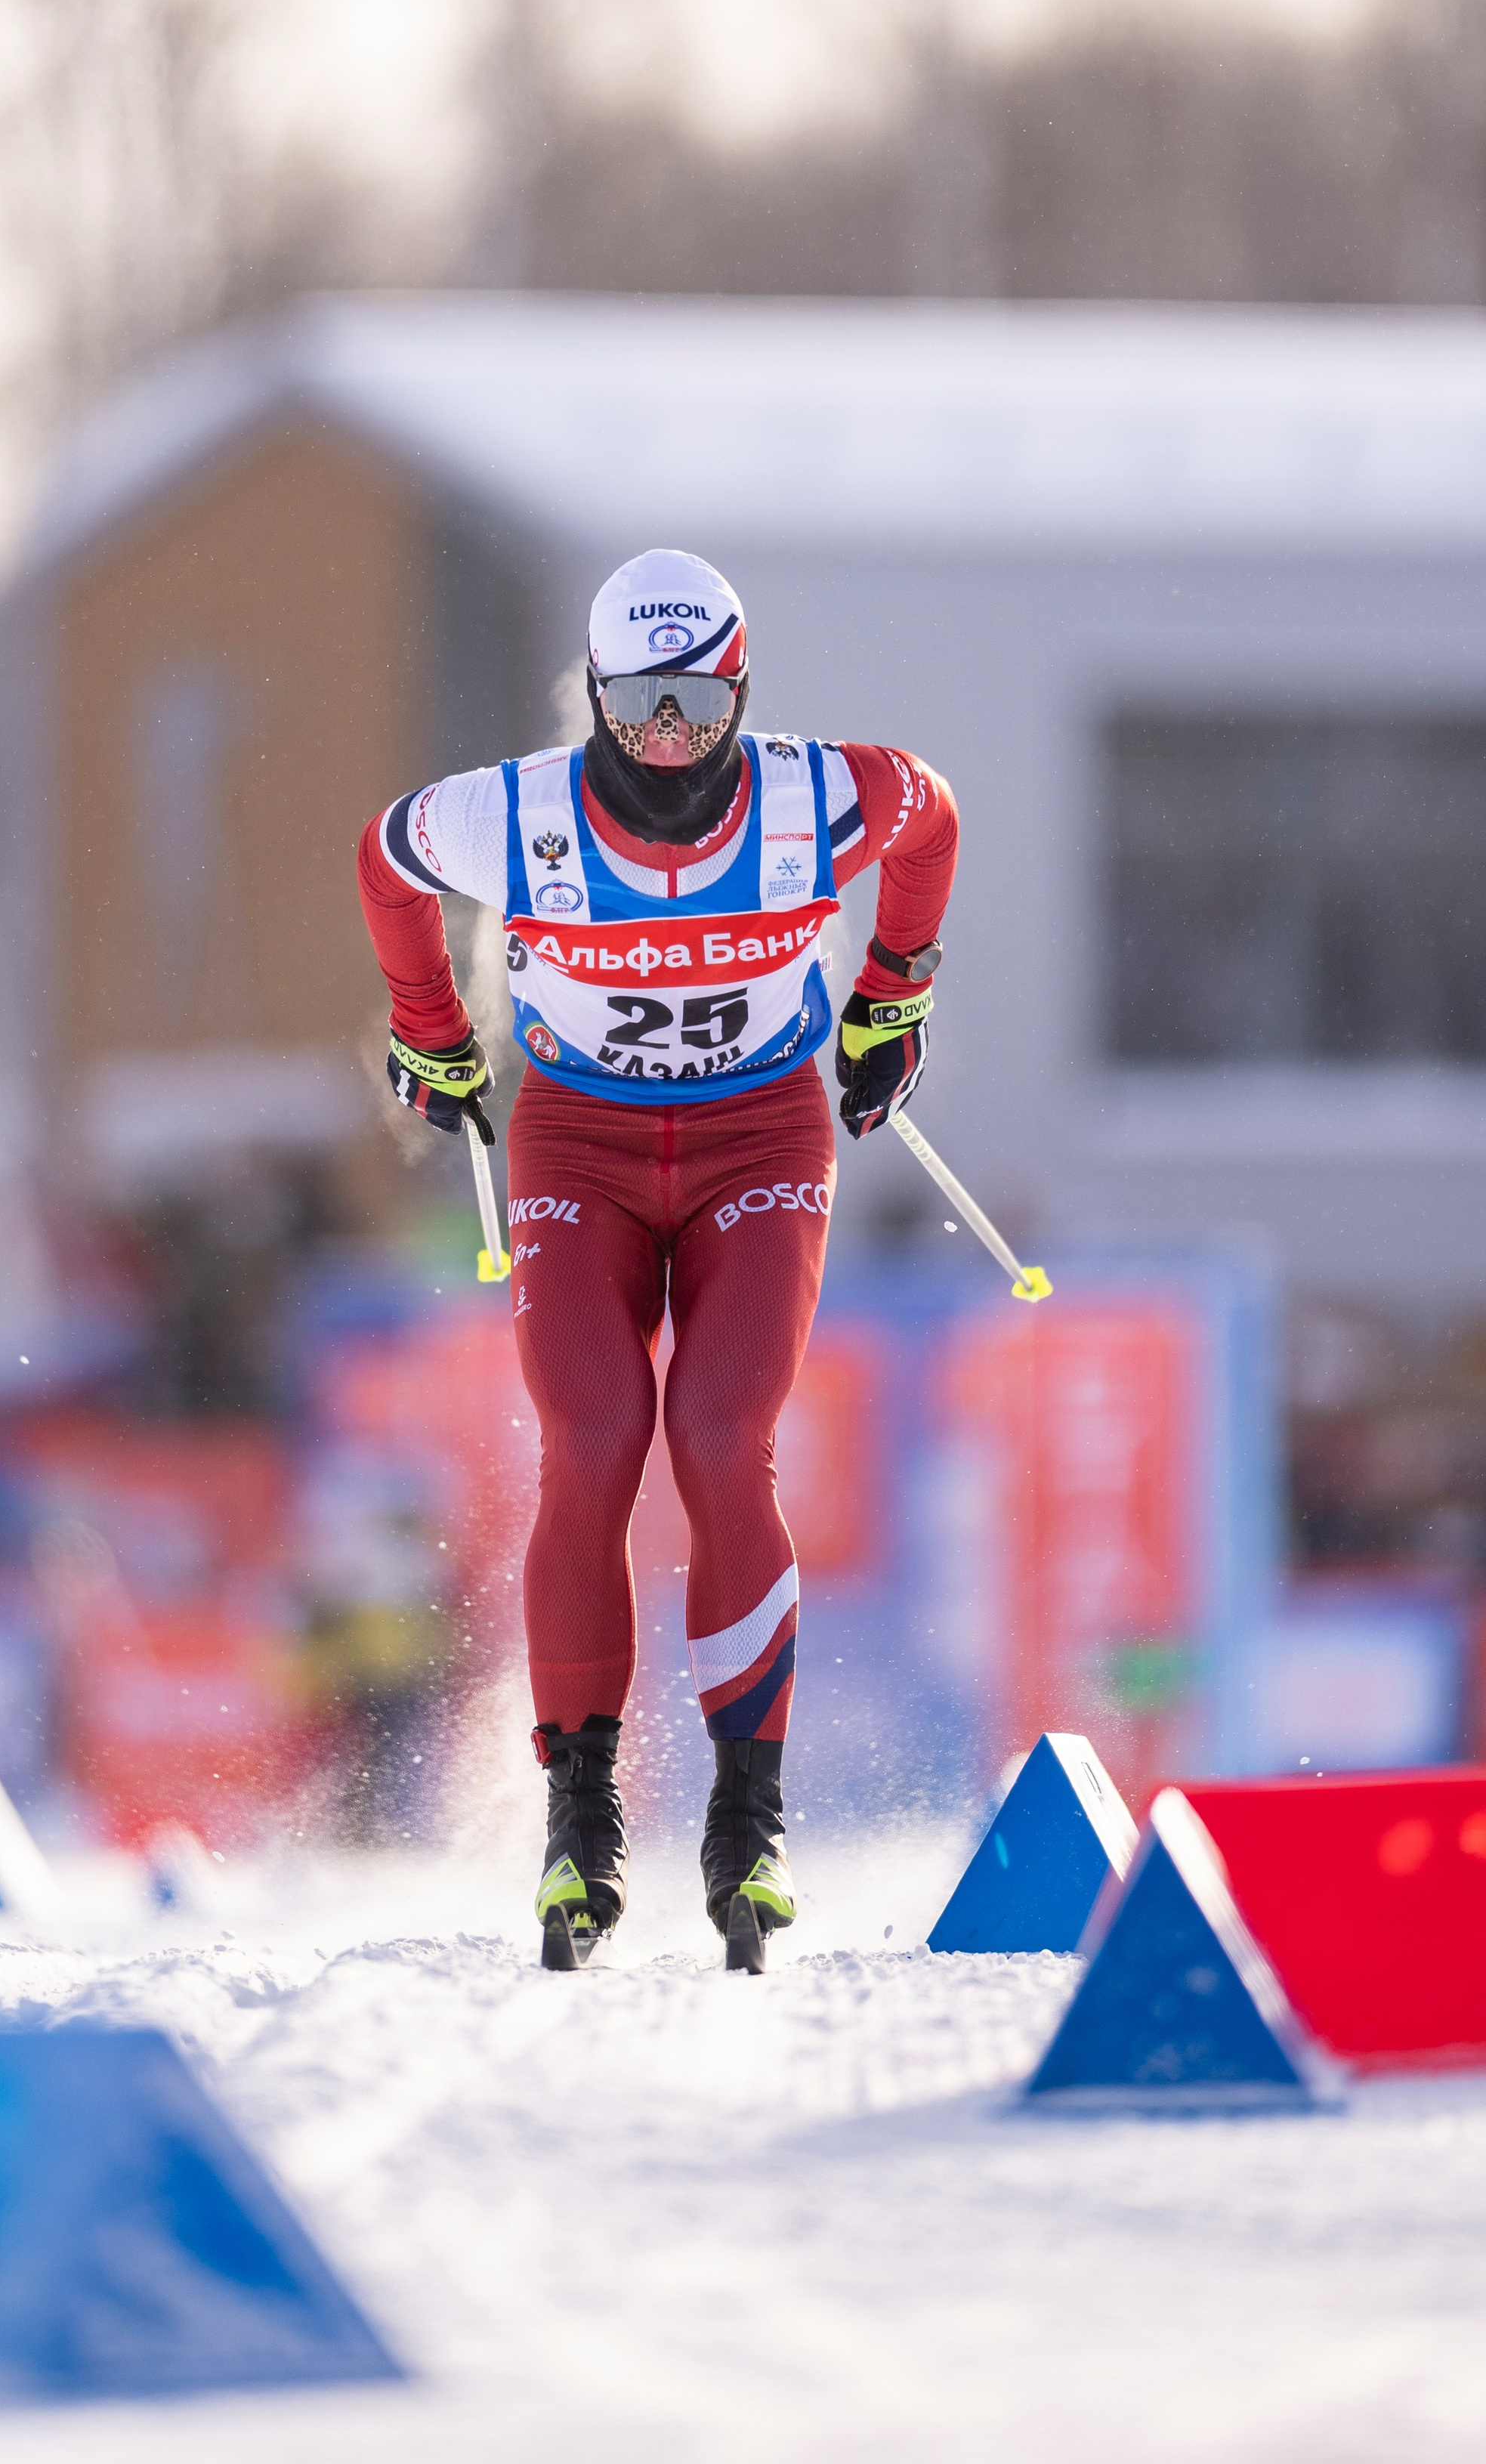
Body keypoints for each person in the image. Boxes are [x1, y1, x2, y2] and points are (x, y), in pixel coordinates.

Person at [357, 549, 958, 1970]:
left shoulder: (818, 797)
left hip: (760, 1138)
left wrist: (893, 996)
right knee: (593, 1440)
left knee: (722, 1438)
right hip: (583, 1146)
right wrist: (428, 1027)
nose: (669, 732)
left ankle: (748, 1822)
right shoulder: (517, 815)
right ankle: (581, 1820)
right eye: (637, 702)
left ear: (742, 688)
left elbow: (930, 813)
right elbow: (386, 859)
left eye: (696, 699)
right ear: (599, 691)